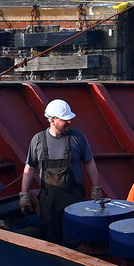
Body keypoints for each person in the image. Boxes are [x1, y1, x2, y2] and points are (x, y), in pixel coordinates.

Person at [19, 99, 105, 244]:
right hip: (48, 201)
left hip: (74, 199)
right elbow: (30, 168)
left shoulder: (78, 138)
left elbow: (89, 162)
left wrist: (96, 189)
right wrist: (24, 195)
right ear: (53, 121)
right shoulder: (38, 140)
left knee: (74, 240)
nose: (69, 122)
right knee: (51, 241)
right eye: (65, 119)